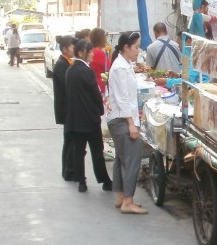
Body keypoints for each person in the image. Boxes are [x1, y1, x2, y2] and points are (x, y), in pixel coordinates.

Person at [106, 31, 147, 215]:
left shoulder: (124, 64)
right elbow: (123, 99)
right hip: (122, 119)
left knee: (122, 158)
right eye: (136, 47)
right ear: (126, 47)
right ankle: (128, 201)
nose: (138, 51)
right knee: (131, 159)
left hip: (120, 117)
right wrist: (131, 123)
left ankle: (121, 196)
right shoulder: (120, 68)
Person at [65, 39, 112, 193]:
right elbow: (95, 95)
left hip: (75, 118)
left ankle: (81, 181)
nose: (92, 54)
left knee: (79, 151)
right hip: (90, 119)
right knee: (97, 151)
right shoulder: (87, 71)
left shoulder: (70, 70)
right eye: (89, 51)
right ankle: (105, 180)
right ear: (81, 53)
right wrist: (100, 110)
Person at [53, 35, 76, 181]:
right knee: (69, 140)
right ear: (65, 49)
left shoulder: (67, 62)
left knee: (70, 140)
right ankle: (68, 170)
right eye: (73, 47)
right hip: (66, 108)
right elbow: (68, 86)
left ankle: (69, 170)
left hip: (67, 107)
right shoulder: (62, 65)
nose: (75, 49)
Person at [89, 27, 110, 100]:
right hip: (101, 85)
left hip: (94, 84)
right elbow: (109, 68)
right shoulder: (99, 53)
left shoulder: (91, 51)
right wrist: (111, 52)